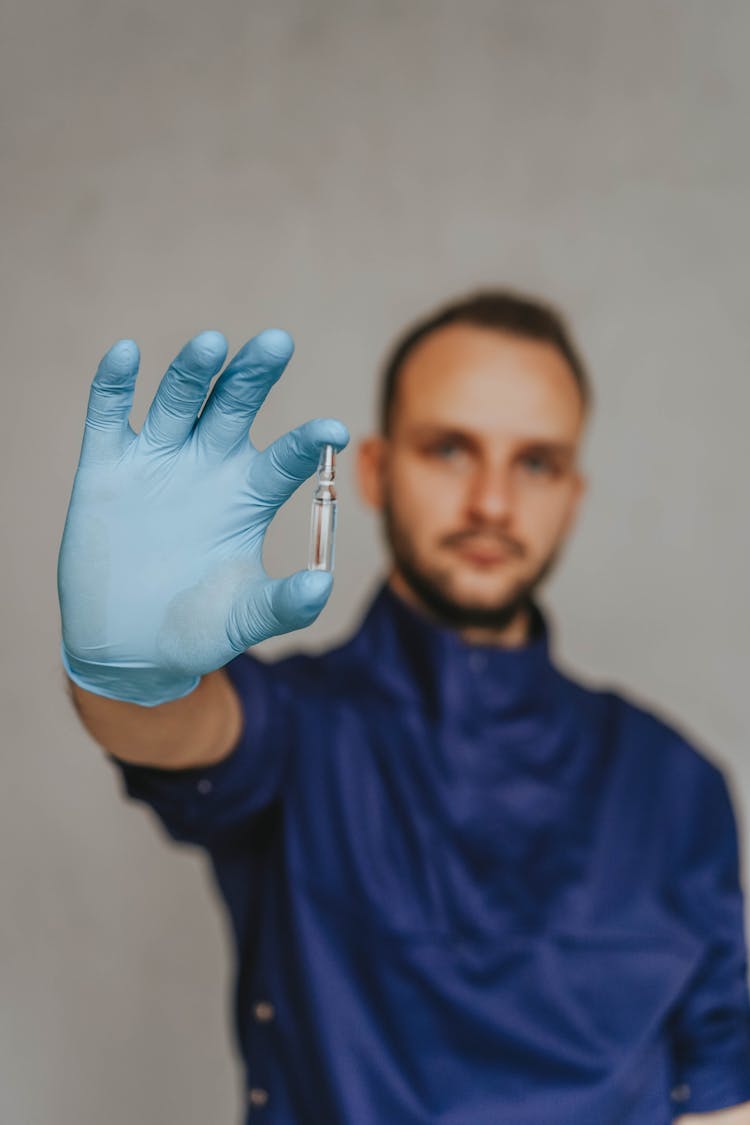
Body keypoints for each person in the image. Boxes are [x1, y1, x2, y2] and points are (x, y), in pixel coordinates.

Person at [58, 291, 750, 1124]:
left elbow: (723, 1090)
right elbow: (186, 732)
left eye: (536, 462)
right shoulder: (298, 728)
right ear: (378, 471)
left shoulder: (675, 786)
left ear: (573, 493)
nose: (493, 502)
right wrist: (130, 674)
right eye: (451, 449)